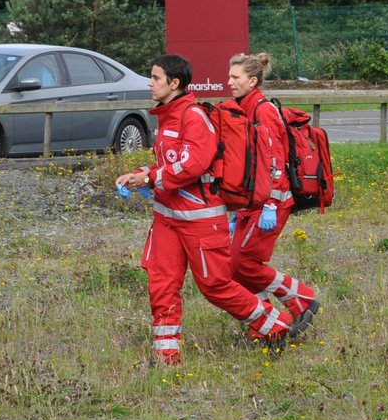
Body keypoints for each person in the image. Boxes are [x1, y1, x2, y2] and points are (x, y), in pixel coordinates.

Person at [115, 53, 297, 365]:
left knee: (215, 286)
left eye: (156, 77)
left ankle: (275, 326)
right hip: (166, 220)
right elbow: (172, 163)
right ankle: (166, 356)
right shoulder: (168, 117)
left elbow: (194, 164)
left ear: (174, 83)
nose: (150, 82)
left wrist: (152, 176)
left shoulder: (193, 117)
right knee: (161, 283)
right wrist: (141, 175)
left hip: (199, 222)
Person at [224, 52, 320, 332]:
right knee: (233, 264)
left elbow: (274, 161)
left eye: (235, 77)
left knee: (244, 263)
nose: (229, 82)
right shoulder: (247, 108)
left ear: (252, 81)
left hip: (270, 202)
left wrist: (269, 204)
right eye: (230, 76)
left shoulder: (263, 111)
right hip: (253, 203)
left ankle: (301, 298)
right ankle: (267, 321)